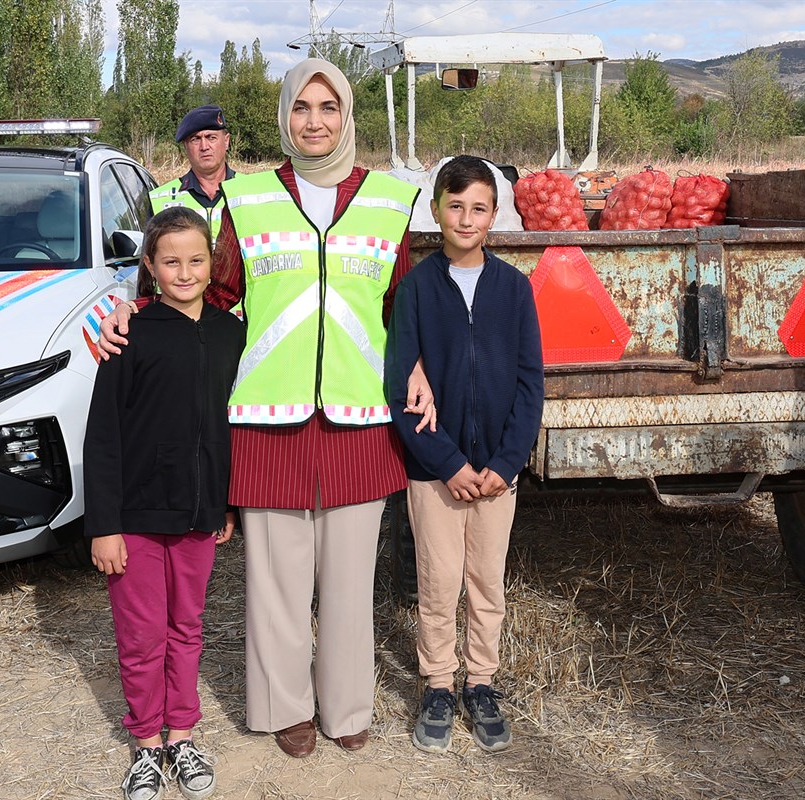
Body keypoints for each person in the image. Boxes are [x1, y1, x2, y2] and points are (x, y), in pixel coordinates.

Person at [99, 58, 435, 757]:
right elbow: (207, 299)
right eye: (301, 107)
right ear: (284, 117)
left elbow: (406, 305)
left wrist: (423, 365)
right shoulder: (246, 201)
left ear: (346, 115)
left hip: (360, 419)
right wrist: (132, 307)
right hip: (266, 421)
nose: (314, 121)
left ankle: (346, 708)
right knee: (277, 582)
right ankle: (285, 705)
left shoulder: (392, 200)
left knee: (348, 581)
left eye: (328, 107)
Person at [83, 206, 245, 800]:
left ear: (212, 264)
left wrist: (226, 505)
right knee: (142, 633)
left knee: (187, 626)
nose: (184, 271)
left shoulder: (231, 332)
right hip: (135, 517)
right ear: (148, 266)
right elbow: (102, 435)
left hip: (201, 514)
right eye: (170, 261)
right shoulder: (129, 333)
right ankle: (146, 743)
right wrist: (104, 524)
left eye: (196, 260)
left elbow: (227, 427)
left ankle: (182, 734)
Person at [387, 155, 545, 755]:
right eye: (455, 206)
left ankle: (481, 681)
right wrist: (448, 463)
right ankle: (437, 684)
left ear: (494, 214)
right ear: (435, 211)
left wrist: (505, 465)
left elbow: (530, 383)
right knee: (438, 581)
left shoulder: (514, 289)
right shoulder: (418, 290)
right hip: (436, 473)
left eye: (478, 208)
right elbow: (401, 384)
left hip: (497, 476)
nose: (466, 217)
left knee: (486, 581)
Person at [149, 105, 235, 241]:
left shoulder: (249, 192)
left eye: (211, 137)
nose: (204, 147)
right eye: (195, 139)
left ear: (226, 141)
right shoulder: (159, 200)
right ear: (185, 147)